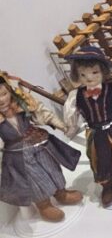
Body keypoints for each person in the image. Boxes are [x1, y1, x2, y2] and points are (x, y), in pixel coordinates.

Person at [63, 46, 112, 208]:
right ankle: (107, 186)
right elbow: (71, 115)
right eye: (83, 75)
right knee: (98, 160)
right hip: (95, 133)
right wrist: (70, 127)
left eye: (94, 72)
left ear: (103, 71)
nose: (89, 78)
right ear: (77, 74)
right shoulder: (75, 96)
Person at [0, 73, 81, 222]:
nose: (1, 100)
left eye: (3, 94)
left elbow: (42, 113)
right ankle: (44, 205)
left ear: (9, 90)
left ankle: (61, 193)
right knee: (34, 177)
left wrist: (62, 126)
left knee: (51, 166)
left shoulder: (22, 103)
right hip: (17, 153)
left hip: (37, 141)